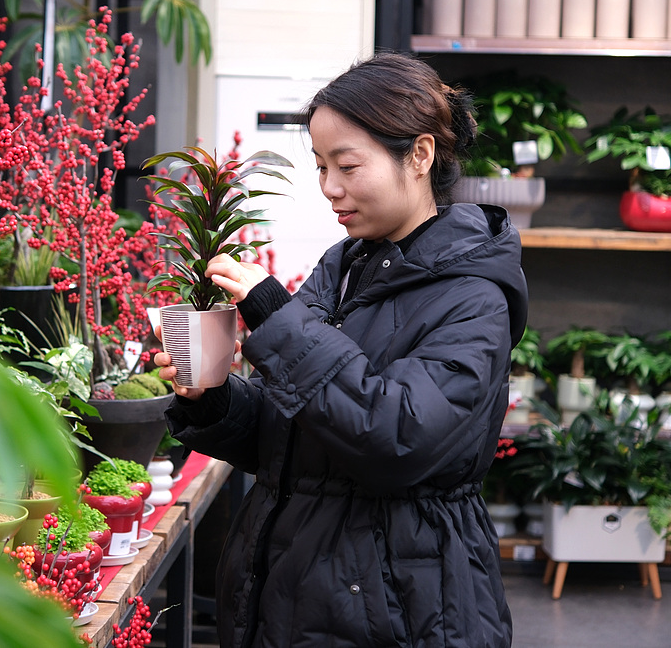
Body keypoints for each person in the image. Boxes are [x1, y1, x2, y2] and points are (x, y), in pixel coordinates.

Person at [154, 52, 528, 648]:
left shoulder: (473, 297)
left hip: (403, 604)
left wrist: (276, 316)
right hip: (296, 588)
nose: (330, 188)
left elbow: (398, 439)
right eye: (321, 166)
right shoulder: (343, 268)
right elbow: (296, 435)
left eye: (347, 166)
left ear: (420, 155)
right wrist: (213, 398)